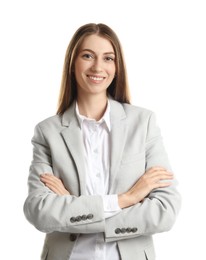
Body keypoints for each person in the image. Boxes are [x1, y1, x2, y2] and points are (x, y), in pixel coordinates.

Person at [23, 23, 181, 260]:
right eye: (88, 56)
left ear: (117, 68)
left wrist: (71, 207)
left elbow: (165, 211)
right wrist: (125, 200)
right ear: (72, 64)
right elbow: (39, 212)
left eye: (108, 58)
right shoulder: (48, 132)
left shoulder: (143, 123)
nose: (98, 66)